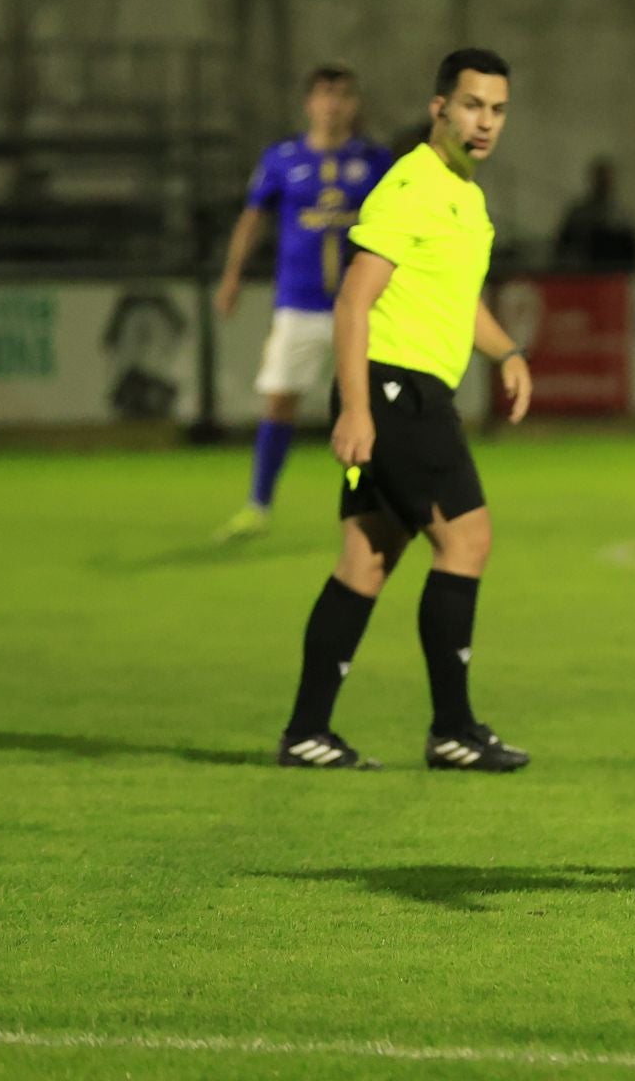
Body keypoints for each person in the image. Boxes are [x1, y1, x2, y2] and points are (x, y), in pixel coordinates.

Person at [276, 48, 533, 773]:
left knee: (364, 559)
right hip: (394, 394)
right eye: (472, 105)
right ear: (440, 109)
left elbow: (455, 302)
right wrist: (355, 410)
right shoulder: (411, 185)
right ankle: (452, 730)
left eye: (497, 109)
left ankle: (306, 732)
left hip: (406, 392)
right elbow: (353, 301)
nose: (485, 121)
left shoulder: (465, 194)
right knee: (468, 541)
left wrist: (507, 352)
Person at [213, 66, 396, 541]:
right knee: (279, 402)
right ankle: (258, 505)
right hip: (299, 305)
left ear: (355, 104)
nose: (333, 104)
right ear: (309, 103)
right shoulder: (282, 159)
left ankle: (370, 504)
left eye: (342, 95)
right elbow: (253, 218)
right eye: (325, 94)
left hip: (363, 308)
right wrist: (232, 275)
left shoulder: (376, 161)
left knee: (368, 408)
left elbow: (400, 225)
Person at [553, 157, 635, 272]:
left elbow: (634, 253)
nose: (604, 183)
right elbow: (563, 248)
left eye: (607, 179)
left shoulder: (623, 217)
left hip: (615, 277)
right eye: (601, 179)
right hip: (585, 277)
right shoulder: (579, 215)